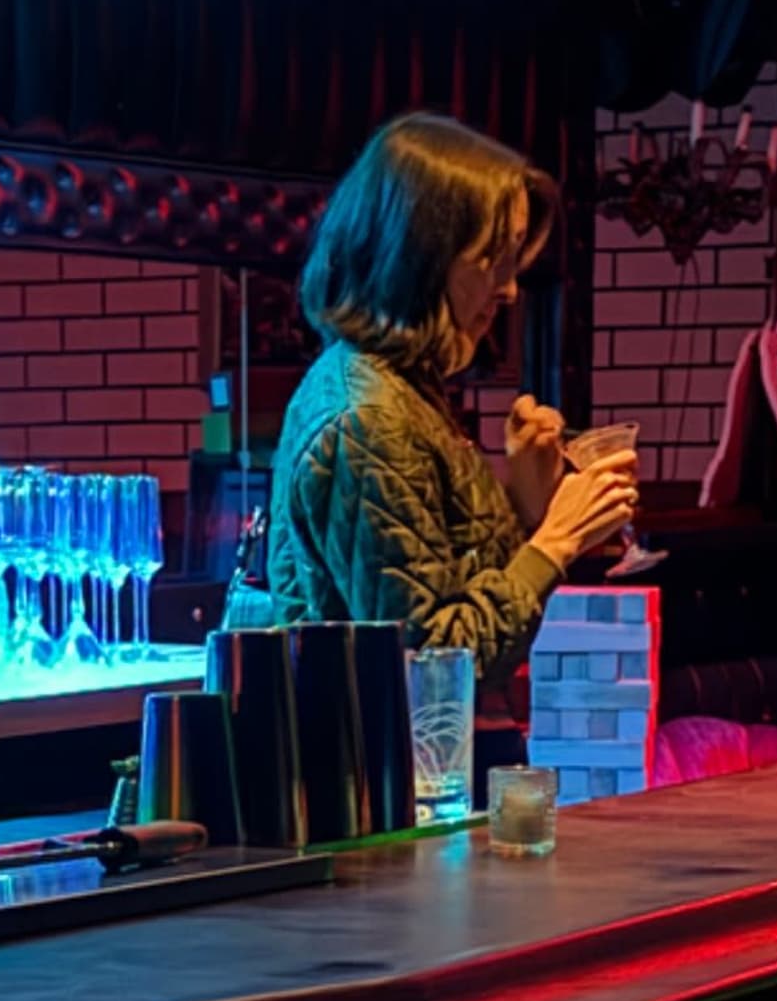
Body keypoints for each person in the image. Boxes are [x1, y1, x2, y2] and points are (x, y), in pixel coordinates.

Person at [227, 113, 638, 665]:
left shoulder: (400, 390)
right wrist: (556, 542)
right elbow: (427, 660)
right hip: (368, 752)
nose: (510, 289)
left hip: (402, 749)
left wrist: (526, 500)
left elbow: (449, 593)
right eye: (493, 259)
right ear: (419, 257)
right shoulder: (368, 418)